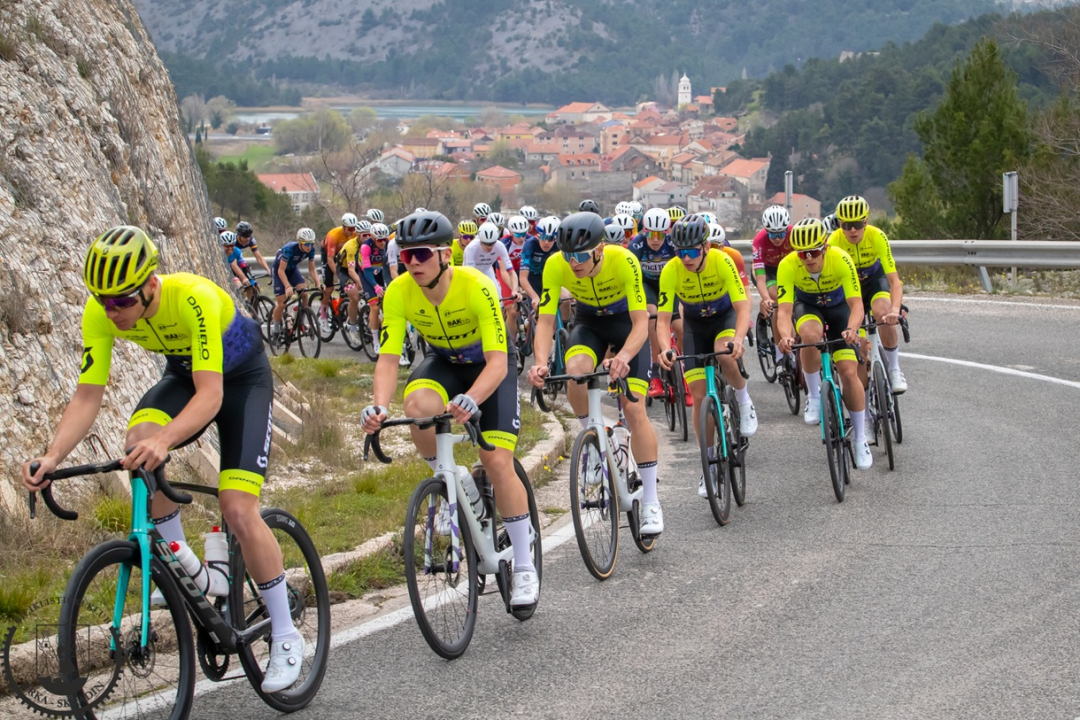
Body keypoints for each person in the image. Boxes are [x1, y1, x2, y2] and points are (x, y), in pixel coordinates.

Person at [23, 226, 305, 693]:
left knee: (236, 508)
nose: (112, 312)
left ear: (151, 284)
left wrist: (168, 441)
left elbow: (211, 395)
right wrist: (52, 456)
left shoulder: (192, 297)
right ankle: (184, 564)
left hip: (241, 382)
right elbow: (88, 394)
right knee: (139, 440)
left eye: (122, 302)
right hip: (183, 374)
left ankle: (285, 632)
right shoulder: (103, 311)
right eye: (104, 301)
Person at [360, 211, 537, 607]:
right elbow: (388, 359)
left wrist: (473, 398)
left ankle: (524, 564)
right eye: (405, 257)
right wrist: (377, 406)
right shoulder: (399, 291)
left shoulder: (477, 287)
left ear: (444, 254)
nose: (413, 264)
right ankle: (450, 477)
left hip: (491, 366)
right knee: (417, 404)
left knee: (496, 461)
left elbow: (497, 362)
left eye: (421, 254)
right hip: (445, 363)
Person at [527, 212, 664, 536]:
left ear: (599, 249)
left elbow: (641, 321)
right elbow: (545, 321)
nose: (573, 263)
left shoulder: (624, 260)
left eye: (580, 255)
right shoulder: (555, 265)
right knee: (575, 372)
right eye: (567, 255)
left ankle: (651, 502)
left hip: (626, 325)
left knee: (633, 408)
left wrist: (625, 356)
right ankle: (592, 444)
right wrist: (540, 362)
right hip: (589, 324)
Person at [655, 216, 756, 497]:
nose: (685, 258)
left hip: (725, 317)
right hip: (695, 324)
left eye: (692, 251)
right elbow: (663, 320)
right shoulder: (671, 271)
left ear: (706, 248)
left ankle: (744, 398)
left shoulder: (722, 262)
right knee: (699, 395)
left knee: (725, 354)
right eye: (679, 252)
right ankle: (708, 464)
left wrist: (738, 338)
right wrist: (665, 347)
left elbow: (743, 305)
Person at [775, 218, 872, 470]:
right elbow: (784, 312)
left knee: (849, 373)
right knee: (808, 336)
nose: (808, 258)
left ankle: (861, 438)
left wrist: (852, 329)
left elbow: (857, 305)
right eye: (803, 254)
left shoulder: (840, 258)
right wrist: (785, 336)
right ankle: (814, 396)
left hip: (840, 308)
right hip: (809, 307)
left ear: (825, 248)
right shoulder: (788, 265)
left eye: (814, 252)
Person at [827, 195, 907, 393]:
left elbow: (894, 281)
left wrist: (895, 309)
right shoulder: (834, 241)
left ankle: (894, 368)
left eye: (857, 224)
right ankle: (865, 407)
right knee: (860, 347)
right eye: (846, 225)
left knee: (883, 313)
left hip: (874, 281)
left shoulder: (877, 236)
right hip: (849, 289)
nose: (852, 230)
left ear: (866, 221)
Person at [630, 208, 680, 399]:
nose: (656, 239)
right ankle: (655, 373)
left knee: (680, 325)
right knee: (651, 317)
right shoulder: (637, 245)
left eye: (660, 234)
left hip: (669, 285)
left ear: (667, 232)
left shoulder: (672, 244)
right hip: (648, 285)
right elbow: (630, 275)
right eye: (651, 234)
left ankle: (681, 365)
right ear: (644, 231)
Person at [752, 205, 794, 365]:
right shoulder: (759, 241)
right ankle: (779, 356)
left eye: (781, 233)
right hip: (768, 271)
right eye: (773, 234)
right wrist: (766, 298)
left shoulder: (794, 235)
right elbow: (760, 279)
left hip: (789, 269)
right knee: (777, 300)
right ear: (766, 230)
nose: (777, 238)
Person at [271, 228, 322, 338]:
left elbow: (312, 269)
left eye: (311, 244)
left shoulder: (311, 250)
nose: (309, 247)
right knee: (282, 303)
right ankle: (275, 330)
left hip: (292, 269)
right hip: (279, 271)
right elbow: (280, 271)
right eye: (306, 244)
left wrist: (318, 283)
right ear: (300, 243)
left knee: (304, 293)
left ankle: (301, 321)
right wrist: (288, 286)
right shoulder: (289, 249)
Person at [319, 213, 359, 323]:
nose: (352, 231)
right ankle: (322, 314)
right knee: (329, 288)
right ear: (344, 227)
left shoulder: (355, 234)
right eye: (350, 229)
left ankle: (341, 308)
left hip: (343, 254)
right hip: (329, 254)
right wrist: (337, 275)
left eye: (354, 228)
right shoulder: (333, 235)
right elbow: (330, 260)